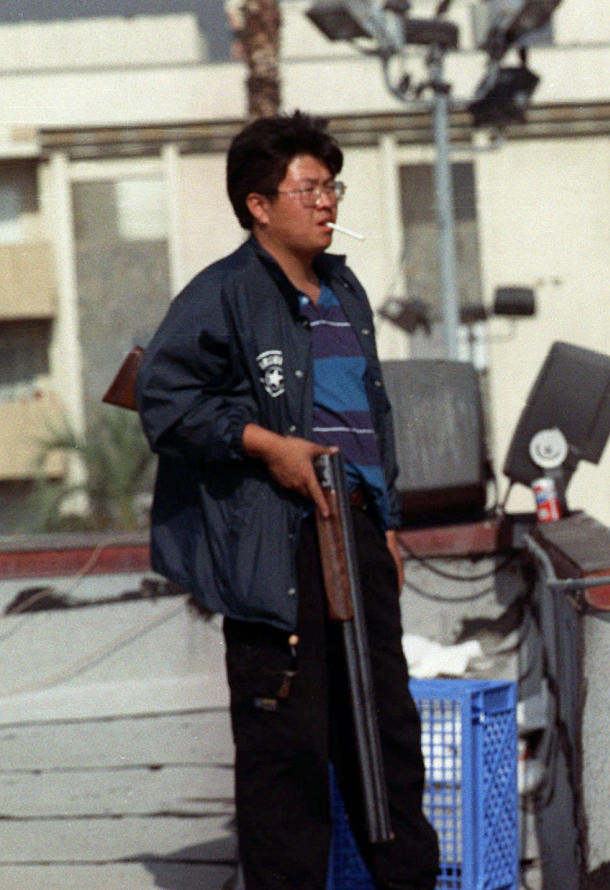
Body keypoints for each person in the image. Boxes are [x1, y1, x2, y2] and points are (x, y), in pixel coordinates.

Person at [137, 111, 439, 890]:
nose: (328, 203)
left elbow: (369, 420)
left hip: (359, 533)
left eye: (331, 187)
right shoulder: (223, 293)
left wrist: (390, 525)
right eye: (309, 188)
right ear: (258, 204)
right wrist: (268, 447)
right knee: (288, 755)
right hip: (277, 548)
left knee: (389, 740)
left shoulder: (346, 288)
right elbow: (165, 403)